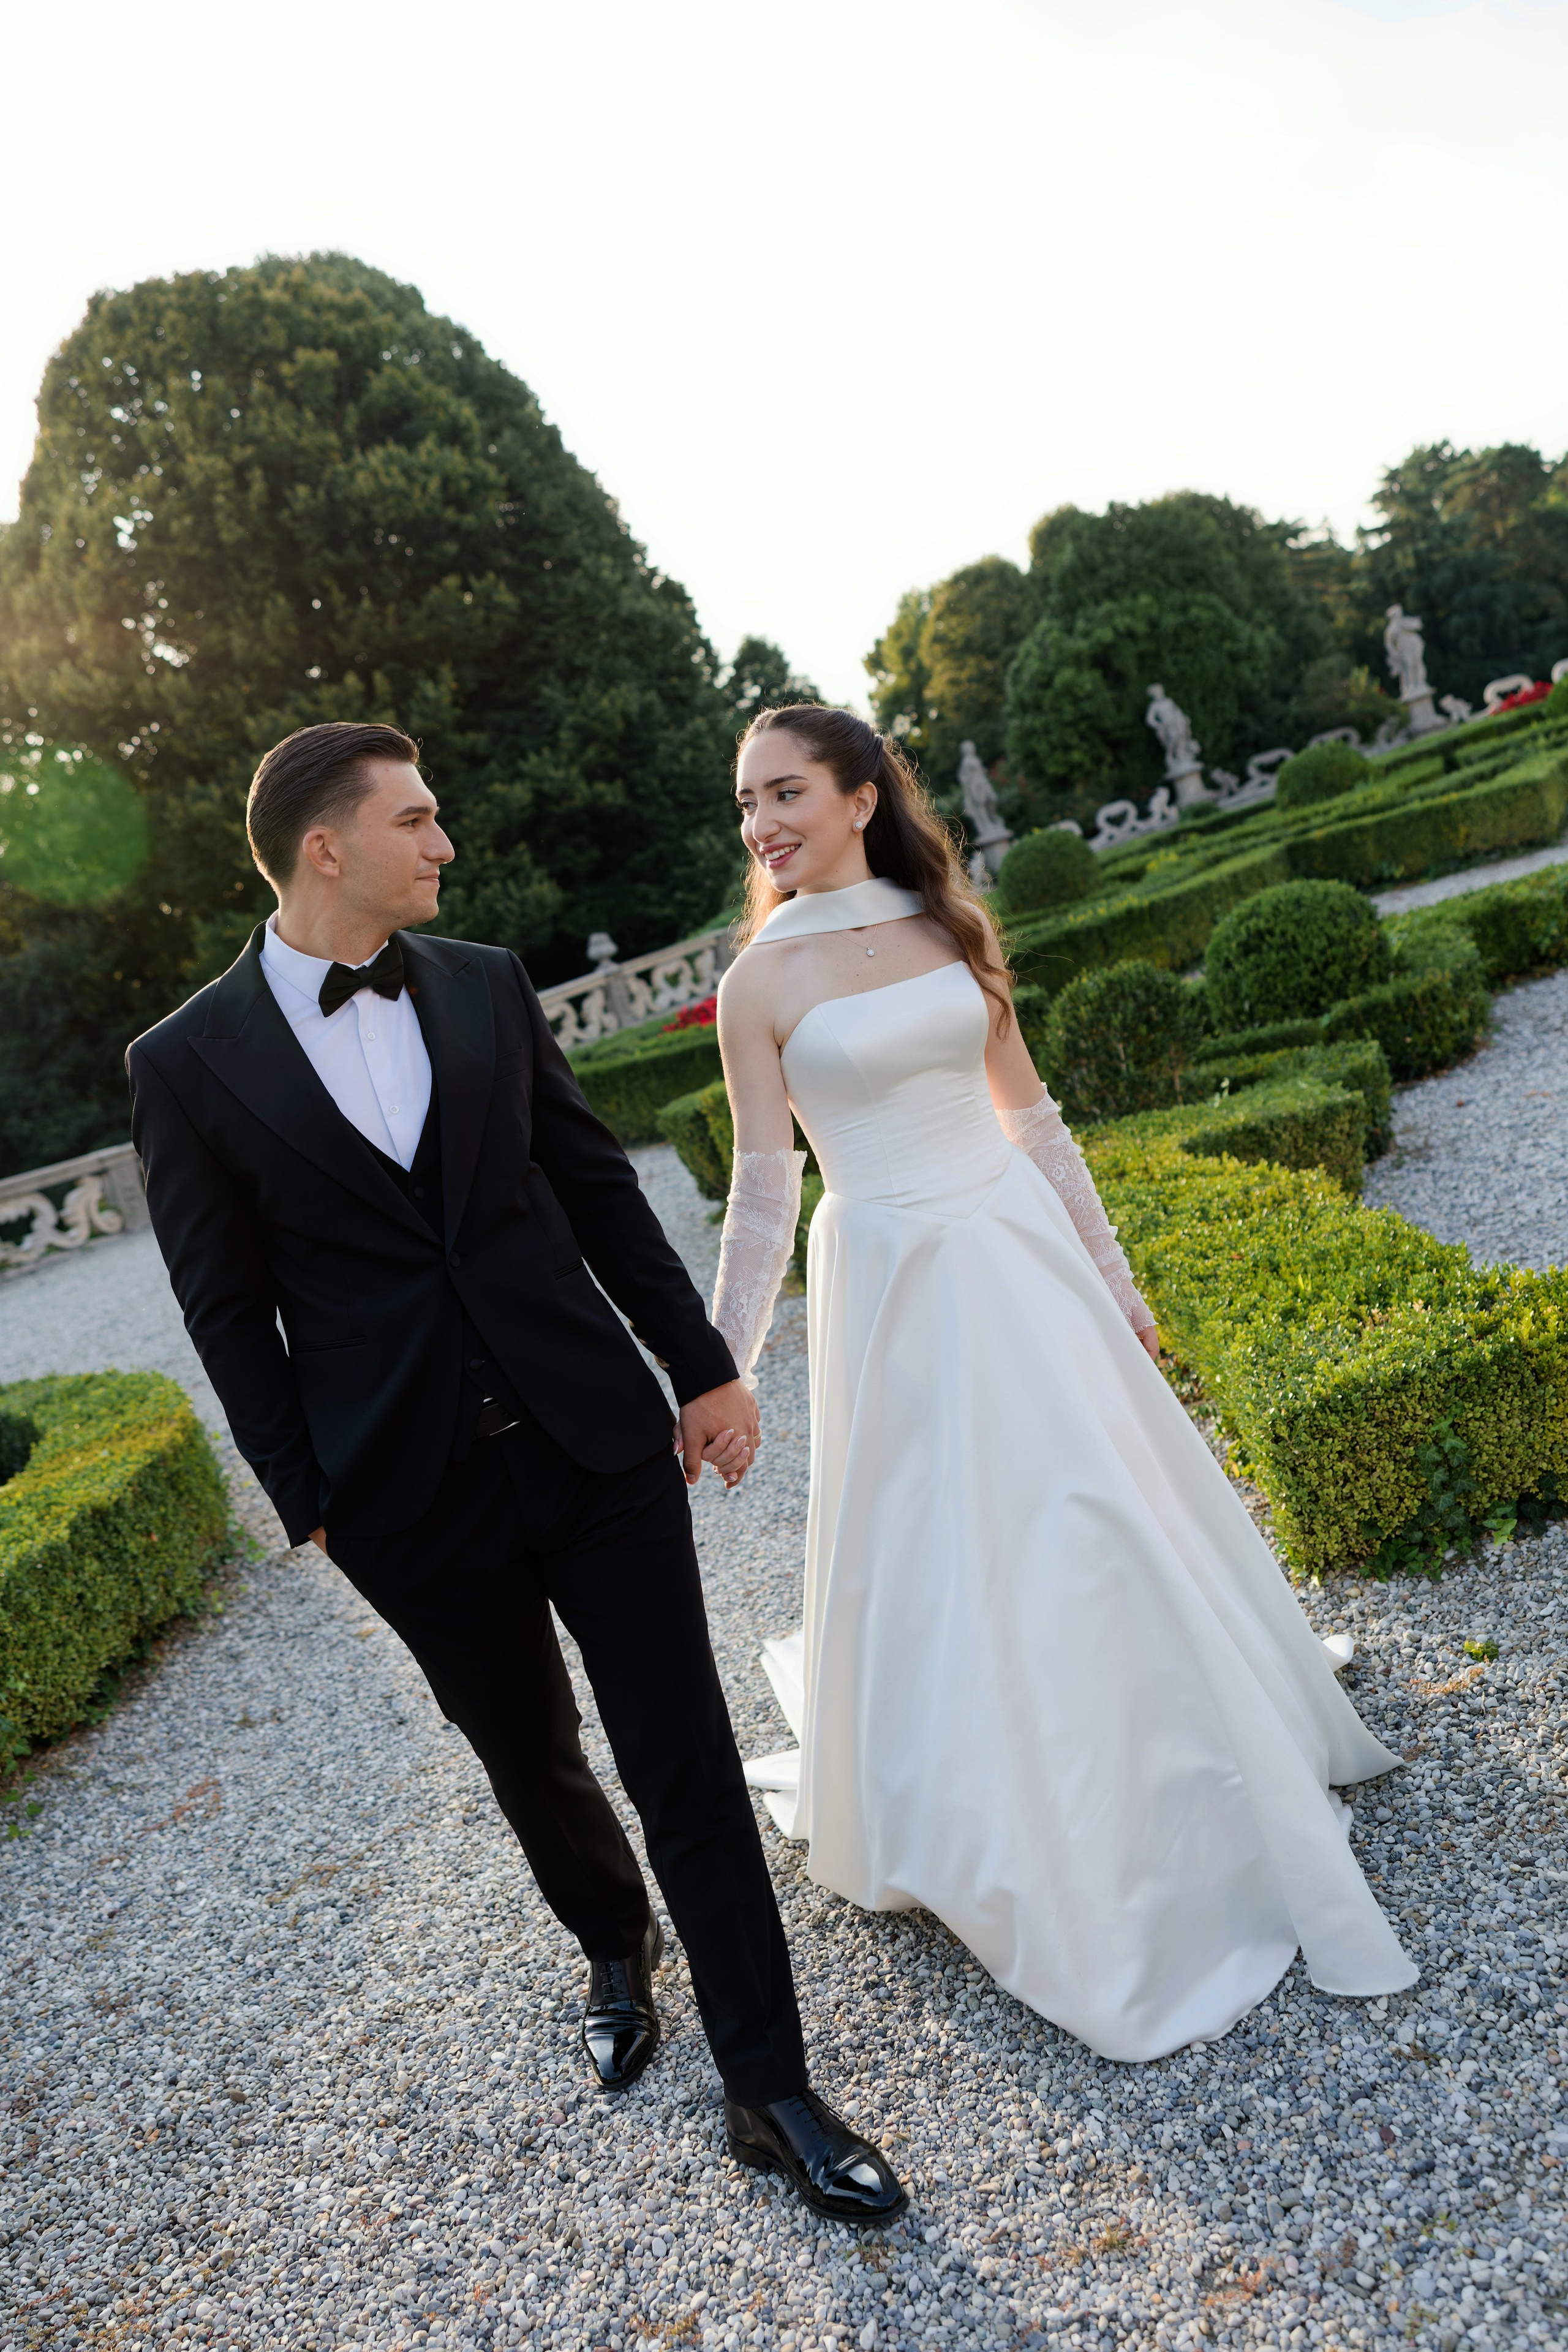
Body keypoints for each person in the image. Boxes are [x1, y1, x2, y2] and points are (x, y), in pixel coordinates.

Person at [126, 720, 906, 2224]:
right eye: (415, 820)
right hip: (403, 1491)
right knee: (528, 1756)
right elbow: (225, 1312)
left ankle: (768, 2085)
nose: (444, 843)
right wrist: (312, 1504)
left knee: (682, 1753)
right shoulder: (184, 1063)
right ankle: (614, 1943)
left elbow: (597, 1191)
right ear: (324, 848)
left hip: (593, 1439)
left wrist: (701, 1366)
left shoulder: (484, 985)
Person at [712, 704, 1418, 2063]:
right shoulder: (759, 984)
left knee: (1093, 1506)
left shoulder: (949, 926)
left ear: (861, 796)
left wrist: (1115, 1280)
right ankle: (1010, 1798)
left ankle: (1175, 1744)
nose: (761, 824)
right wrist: (720, 1370)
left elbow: (1030, 1119)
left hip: (1013, 1249)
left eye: (784, 792)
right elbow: (760, 1193)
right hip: (893, 1279)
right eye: (747, 803)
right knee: (953, 1540)